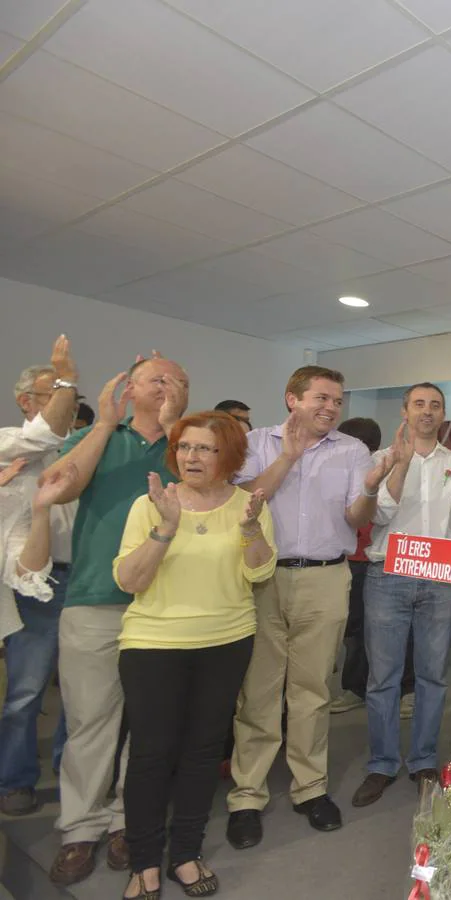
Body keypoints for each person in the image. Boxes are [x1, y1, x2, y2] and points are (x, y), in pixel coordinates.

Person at [110, 412, 275, 899]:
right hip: (153, 644)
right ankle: (143, 861)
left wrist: (249, 529)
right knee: (151, 753)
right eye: (185, 447)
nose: (191, 457)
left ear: (228, 455)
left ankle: (185, 852)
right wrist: (166, 529)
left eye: (204, 448)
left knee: (203, 753)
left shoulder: (251, 504)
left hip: (226, 641)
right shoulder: (151, 504)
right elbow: (130, 581)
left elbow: (260, 573)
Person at [225, 366, 389, 850]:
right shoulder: (255, 441)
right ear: (291, 399)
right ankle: (247, 795)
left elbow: (355, 517)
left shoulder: (352, 450)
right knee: (258, 690)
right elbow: (239, 502)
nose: (331, 408)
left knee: (312, 688)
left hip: (325, 576)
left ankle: (309, 788)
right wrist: (288, 458)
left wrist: (373, 488)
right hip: (262, 577)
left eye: (337, 401)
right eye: (321, 398)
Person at [40, 355, 188, 887]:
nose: (170, 387)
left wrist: (176, 430)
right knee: (90, 721)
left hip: (167, 606)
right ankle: (80, 829)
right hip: (95, 599)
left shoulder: (189, 443)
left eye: (180, 382)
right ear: (129, 388)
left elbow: (205, 497)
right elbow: (63, 483)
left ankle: (132, 822)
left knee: (151, 726)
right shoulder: (103, 434)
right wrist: (103, 422)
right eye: (158, 379)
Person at [350, 384, 451, 807]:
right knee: (383, 678)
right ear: (405, 411)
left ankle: (424, 758)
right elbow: (381, 514)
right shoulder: (380, 459)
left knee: (432, 675)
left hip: (439, 578)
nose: (427, 412)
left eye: (435, 405)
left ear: (444, 414)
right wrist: (401, 465)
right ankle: (383, 763)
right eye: (419, 404)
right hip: (388, 575)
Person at [0, 335, 79, 817]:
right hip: (33, 585)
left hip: (84, 579)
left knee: (80, 690)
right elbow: (42, 437)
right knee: (26, 691)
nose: (66, 402)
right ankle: (14, 779)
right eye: (55, 393)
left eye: (69, 394)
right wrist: (67, 373)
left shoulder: (83, 448)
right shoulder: (10, 443)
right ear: (26, 400)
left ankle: (73, 774)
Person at [330, 417, 383, 717]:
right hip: (347, 560)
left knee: (360, 630)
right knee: (353, 629)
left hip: (365, 560)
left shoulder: (375, 471)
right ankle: (354, 685)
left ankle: (356, 688)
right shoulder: (347, 468)